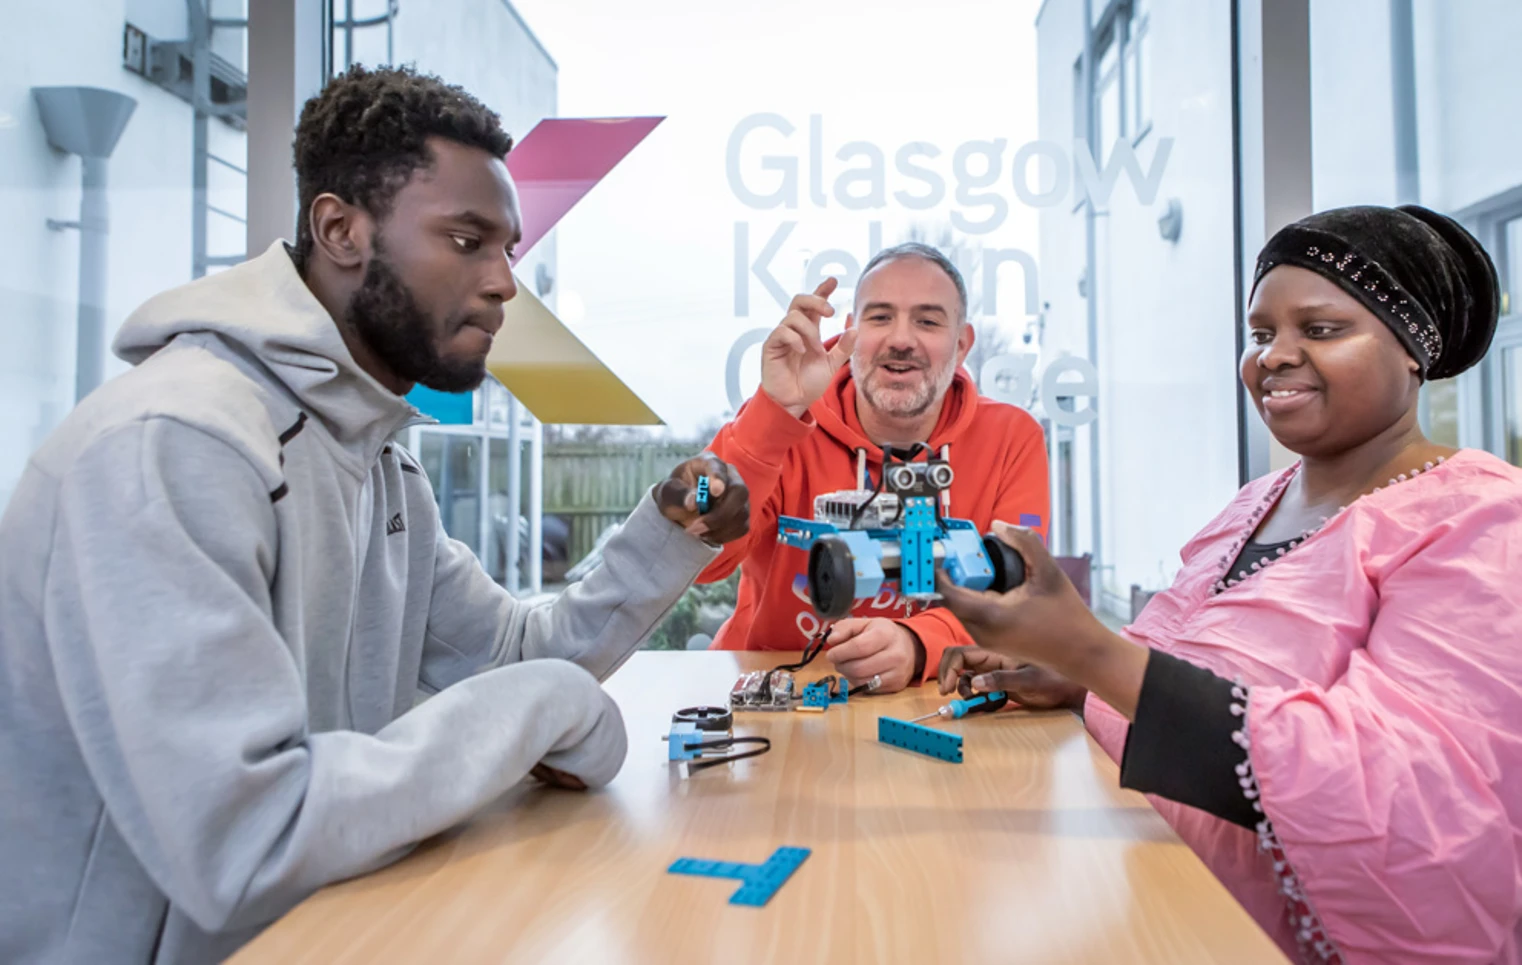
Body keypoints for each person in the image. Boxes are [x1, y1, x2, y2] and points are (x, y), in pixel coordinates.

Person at [0, 65, 750, 965]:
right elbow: (248, 839)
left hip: (333, 933)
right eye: (467, 239)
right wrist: (548, 702)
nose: (505, 282)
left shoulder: (378, 462)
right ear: (340, 229)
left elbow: (518, 660)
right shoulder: (173, 445)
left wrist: (664, 535)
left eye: (508, 247)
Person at [936, 204, 1522, 964]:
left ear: (1412, 351)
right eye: (1260, 333)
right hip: (1156, 902)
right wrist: (1077, 677)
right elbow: (1172, 687)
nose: (1274, 356)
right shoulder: (1252, 506)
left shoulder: (1481, 519)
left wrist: (1091, 652)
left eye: (1320, 329)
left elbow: (1417, 805)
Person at [700, 243, 1050, 693]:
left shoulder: (1011, 439)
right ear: (850, 334)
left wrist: (922, 643)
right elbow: (705, 559)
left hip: (930, 691)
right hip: (775, 690)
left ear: (961, 344)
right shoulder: (782, 420)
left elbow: (1023, 594)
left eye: (927, 321)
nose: (901, 339)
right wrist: (773, 415)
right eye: (880, 317)